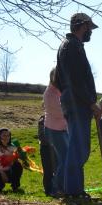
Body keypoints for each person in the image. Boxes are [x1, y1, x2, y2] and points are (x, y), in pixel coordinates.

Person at [55, 13, 100, 198]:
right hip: (78, 104)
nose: (91, 32)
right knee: (78, 147)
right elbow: (74, 80)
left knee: (79, 147)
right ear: (82, 26)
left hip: (75, 102)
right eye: (90, 28)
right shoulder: (72, 46)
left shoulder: (72, 46)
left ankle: (75, 190)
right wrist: (90, 103)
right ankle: (73, 192)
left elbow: (59, 80)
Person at [43, 67, 68, 196]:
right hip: (53, 130)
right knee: (64, 159)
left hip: (62, 129)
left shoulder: (59, 91)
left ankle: (63, 186)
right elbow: (60, 112)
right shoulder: (49, 94)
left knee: (65, 159)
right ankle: (55, 188)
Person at [38, 115, 55, 196]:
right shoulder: (43, 120)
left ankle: (58, 187)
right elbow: (42, 136)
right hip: (46, 148)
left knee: (58, 168)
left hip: (57, 147)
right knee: (48, 170)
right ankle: (48, 190)